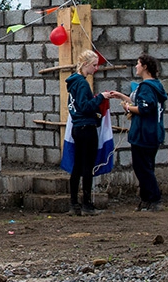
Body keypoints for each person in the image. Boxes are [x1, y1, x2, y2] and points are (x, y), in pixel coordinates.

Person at [108, 55, 168, 212]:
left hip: (144, 134)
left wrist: (127, 108)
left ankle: (154, 199)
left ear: (145, 67)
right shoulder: (155, 85)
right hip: (154, 133)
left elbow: (144, 108)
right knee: (146, 167)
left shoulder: (147, 87)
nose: (136, 66)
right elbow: (139, 102)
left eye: (138, 64)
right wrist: (121, 97)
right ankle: (146, 200)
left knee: (142, 168)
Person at [65, 50, 110, 216]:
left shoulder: (74, 83)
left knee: (77, 165)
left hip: (77, 127)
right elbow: (85, 106)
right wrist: (100, 98)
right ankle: (87, 204)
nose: (96, 68)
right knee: (87, 166)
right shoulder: (83, 83)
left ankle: (74, 203)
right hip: (86, 127)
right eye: (93, 65)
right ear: (85, 64)